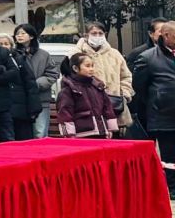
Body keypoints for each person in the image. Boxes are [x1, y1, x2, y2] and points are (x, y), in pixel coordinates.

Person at [130, 19, 175, 163]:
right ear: (166, 35)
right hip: (165, 118)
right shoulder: (147, 58)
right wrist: (160, 98)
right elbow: (139, 87)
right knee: (170, 161)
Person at [74, 22, 133, 130]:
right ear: (86, 35)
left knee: (116, 137)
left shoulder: (115, 54)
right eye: (94, 33)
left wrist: (124, 95)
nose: (97, 36)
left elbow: (126, 76)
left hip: (114, 108)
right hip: (87, 110)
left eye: (100, 33)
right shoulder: (76, 55)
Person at [12, 24, 59, 141]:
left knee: (40, 133)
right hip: (19, 101)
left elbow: (52, 74)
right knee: (22, 136)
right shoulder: (12, 54)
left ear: (31, 36)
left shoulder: (44, 54)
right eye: (17, 34)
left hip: (40, 99)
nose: (19, 36)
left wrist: (34, 84)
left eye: (23, 33)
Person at [57, 51, 118, 137]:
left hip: (101, 132)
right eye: (87, 66)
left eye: (92, 66)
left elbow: (107, 107)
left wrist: (110, 128)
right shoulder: (69, 88)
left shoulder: (97, 85)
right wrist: (69, 134)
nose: (91, 69)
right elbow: (65, 112)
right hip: (81, 134)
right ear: (75, 68)